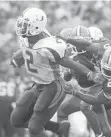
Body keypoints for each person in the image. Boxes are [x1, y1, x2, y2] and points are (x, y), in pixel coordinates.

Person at [10, 8, 98, 137]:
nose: (22, 27)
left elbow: (68, 62)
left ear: (36, 27)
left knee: (35, 127)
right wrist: (18, 58)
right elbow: (27, 50)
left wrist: (88, 73)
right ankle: (59, 127)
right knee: (16, 119)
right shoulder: (28, 38)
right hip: (39, 84)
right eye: (22, 23)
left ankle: (56, 128)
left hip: (53, 86)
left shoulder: (47, 46)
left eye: (26, 24)